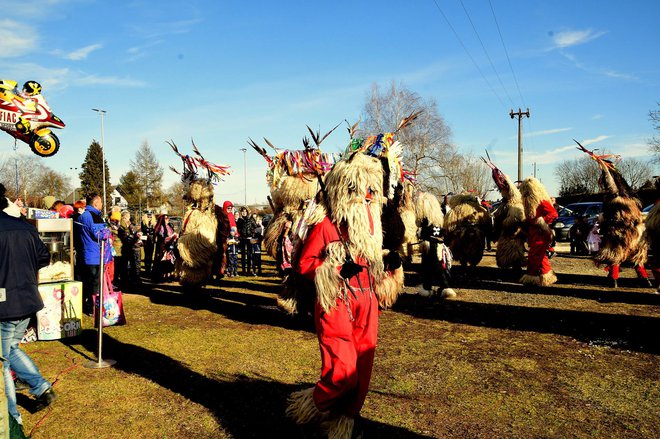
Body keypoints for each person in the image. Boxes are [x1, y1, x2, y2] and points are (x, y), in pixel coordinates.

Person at [286, 153, 400, 438]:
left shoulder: (371, 232)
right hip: (336, 302)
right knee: (342, 369)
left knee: (362, 373)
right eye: (361, 191)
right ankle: (312, 405)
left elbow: (372, 267)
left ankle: (343, 424)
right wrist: (333, 270)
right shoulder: (326, 226)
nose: (367, 197)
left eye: (371, 192)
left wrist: (389, 267)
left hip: (367, 305)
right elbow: (305, 263)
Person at [0, 183, 57, 428]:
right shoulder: (25, 226)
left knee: (3, 357)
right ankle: (41, 387)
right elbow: (44, 257)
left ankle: (12, 415)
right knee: (10, 348)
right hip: (27, 299)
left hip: (6, 302)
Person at [519, 177, 558, 286]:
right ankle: (546, 277)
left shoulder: (542, 202)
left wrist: (542, 221)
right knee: (540, 256)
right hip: (533, 234)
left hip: (541, 233)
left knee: (535, 255)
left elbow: (553, 214)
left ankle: (533, 276)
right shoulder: (528, 204)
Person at [73, 194, 106, 313]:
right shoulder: (92, 216)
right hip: (94, 256)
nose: (102, 204)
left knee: (86, 283)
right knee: (94, 284)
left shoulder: (82, 216)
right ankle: (93, 308)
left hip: (85, 253)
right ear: (96, 203)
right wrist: (107, 232)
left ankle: (86, 305)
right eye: (101, 202)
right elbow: (99, 234)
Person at [118, 211, 142, 286]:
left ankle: (133, 279)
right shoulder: (122, 226)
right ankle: (127, 280)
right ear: (124, 217)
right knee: (126, 265)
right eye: (127, 217)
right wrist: (135, 237)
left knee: (133, 265)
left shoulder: (129, 225)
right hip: (126, 248)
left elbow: (133, 232)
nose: (129, 219)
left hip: (131, 247)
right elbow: (126, 237)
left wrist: (137, 236)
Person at [152, 214, 178, 282]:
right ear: (162, 219)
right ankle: (162, 276)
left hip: (170, 247)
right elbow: (161, 237)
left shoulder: (169, 227)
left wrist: (174, 237)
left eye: (168, 218)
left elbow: (172, 235)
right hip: (162, 247)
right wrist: (170, 238)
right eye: (166, 218)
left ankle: (168, 275)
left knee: (169, 262)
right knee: (163, 261)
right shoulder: (160, 227)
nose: (167, 219)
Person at [236, 207, 256, 275]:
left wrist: (252, 231)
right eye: (242, 211)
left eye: (245, 211)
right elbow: (238, 228)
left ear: (247, 212)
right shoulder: (239, 220)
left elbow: (255, 226)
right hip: (242, 239)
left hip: (249, 238)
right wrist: (240, 233)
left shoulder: (250, 219)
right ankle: (244, 270)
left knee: (249, 254)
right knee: (243, 255)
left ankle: (248, 270)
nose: (244, 212)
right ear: (241, 212)